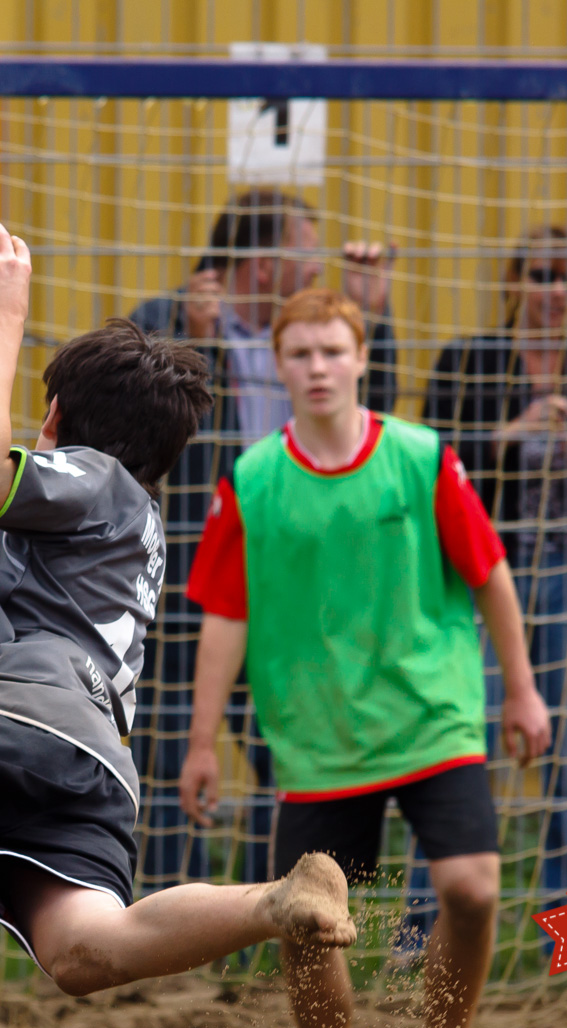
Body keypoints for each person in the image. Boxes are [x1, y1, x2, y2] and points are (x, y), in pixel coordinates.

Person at [0, 211, 356, 998]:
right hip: (89, 755)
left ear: (55, 422)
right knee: (86, 948)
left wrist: (3, 316)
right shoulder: (95, 518)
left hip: (12, 706)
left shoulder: (92, 481)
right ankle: (272, 901)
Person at [178, 288, 552, 1028]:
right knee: (309, 921)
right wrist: (202, 741)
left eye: (333, 351)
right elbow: (224, 615)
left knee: (475, 888)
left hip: (431, 713)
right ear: (278, 365)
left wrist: (520, 687)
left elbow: (488, 572)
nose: (318, 367)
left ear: (362, 358)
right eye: (301, 353)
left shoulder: (421, 456)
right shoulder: (251, 479)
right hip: (319, 732)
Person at [126, 189, 399, 890]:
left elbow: (372, 415)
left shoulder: (304, 339)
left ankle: (263, 916)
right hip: (191, 582)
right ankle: (162, 918)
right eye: (304, 248)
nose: (317, 265)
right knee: (166, 759)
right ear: (259, 258)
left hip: (293, 588)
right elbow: (141, 430)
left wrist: (376, 318)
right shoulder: (166, 317)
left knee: (285, 760)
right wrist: (195, 338)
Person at [420, 224, 567, 932]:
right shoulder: (471, 359)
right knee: (462, 747)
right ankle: (432, 927)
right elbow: (435, 466)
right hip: (485, 581)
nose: (556, 291)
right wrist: (512, 434)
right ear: (513, 281)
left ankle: (565, 933)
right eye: (542, 274)